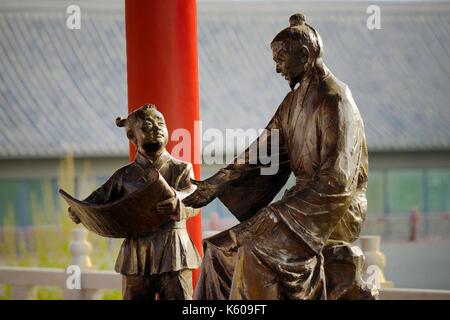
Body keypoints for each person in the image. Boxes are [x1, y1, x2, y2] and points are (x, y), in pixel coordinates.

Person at [183, 13, 375, 300]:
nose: (277, 69)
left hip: (335, 209)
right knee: (219, 250)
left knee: (252, 252)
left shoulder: (336, 99)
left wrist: (277, 212)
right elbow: (261, 152)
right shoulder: (291, 103)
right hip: (298, 205)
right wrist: (214, 184)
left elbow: (338, 180)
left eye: (281, 60)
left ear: (305, 54)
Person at [69, 103, 201, 300]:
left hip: (173, 250)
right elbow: (98, 199)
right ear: (132, 136)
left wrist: (177, 202)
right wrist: (80, 211)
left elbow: (195, 197)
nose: (157, 129)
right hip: (136, 252)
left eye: (160, 123)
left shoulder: (181, 168)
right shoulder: (124, 175)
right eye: (148, 125)